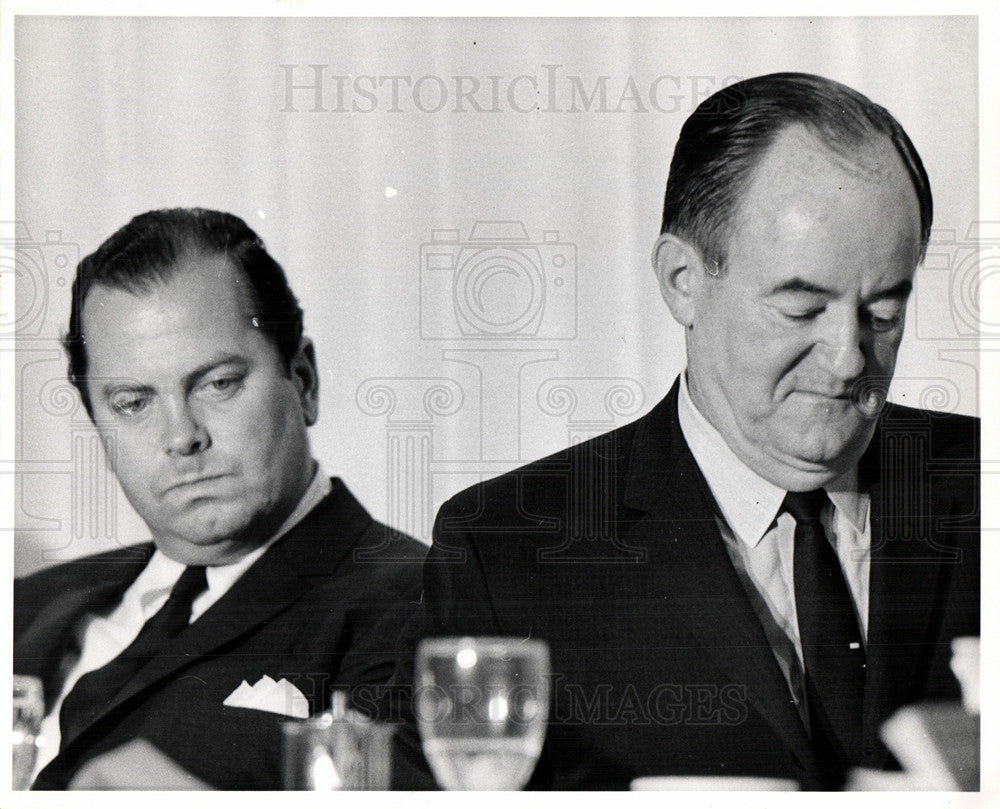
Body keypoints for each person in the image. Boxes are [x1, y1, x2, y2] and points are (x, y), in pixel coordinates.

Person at [394, 73, 979, 790]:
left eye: (883, 311)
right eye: (801, 310)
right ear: (682, 280)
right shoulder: (507, 555)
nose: (849, 357)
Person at [14, 208, 425, 789]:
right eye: (133, 402)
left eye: (218, 383)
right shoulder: (26, 604)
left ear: (303, 380)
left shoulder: (425, 601)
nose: (182, 437)